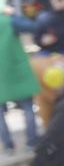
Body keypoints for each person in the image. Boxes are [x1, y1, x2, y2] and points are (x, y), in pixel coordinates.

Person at [0, 13, 41, 154]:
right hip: (17, 72)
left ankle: (8, 146)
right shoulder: (9, 21)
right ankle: (31, 142)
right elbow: (33, 27)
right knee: (28, 108)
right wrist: (14, 15)